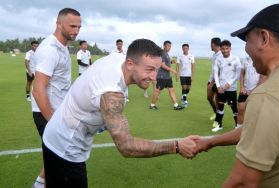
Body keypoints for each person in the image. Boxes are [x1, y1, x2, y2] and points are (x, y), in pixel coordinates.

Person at [194, 3, 279, 187]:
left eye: (247, 39)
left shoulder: (269, 95)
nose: (246, 49)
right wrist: (209, 142)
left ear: (264, 37)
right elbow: (261, 128)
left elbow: (242, 182)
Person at [41, 39, 198, 187]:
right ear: (130, 64)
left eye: (156, 70)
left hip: (57, 132)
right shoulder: (110, 92)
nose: (154, 77)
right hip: (66, 147)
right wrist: (176, 146)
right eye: (149, 69)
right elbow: (127, 147)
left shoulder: (120, 58)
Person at [31, 8, 81, 188]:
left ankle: (38, 184)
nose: (76, 30)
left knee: (57, 158)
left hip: (57, 112)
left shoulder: (62, 47)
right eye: (72, 26)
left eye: (79, 27)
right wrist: (53, 122)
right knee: (62, 164)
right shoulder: (50, 49)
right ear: (58, 24)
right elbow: (38, 90)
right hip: (46, 114)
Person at [211, 40, 241, 132]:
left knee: (234, 108)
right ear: (220, 49)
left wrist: (230, 83)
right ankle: (219, 125)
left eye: (227, 48)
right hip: (221, 89)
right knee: (220, 107)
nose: (225, 50)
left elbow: (238, 74)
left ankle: (237, 126)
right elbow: (215, 73)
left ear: (230, 48)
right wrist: (218, 86)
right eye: (223, 48)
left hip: (231, 88)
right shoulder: (218, 59)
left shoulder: (235, 59)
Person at [149, 40, 184, 110]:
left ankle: (176, 105)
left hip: (167, 77)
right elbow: (163, 65)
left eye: (170, 46)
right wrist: (173, 70)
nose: (169, 47)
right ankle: (152, 105)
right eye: (168, 46)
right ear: (164, 46)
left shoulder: (166, 54)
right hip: (161, 77)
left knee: (171, 90)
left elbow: (166, 62)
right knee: (157, 91)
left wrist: (172, 62)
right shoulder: (162, 53)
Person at [237, 56, 266, 128]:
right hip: (245, 91)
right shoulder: (245, 59)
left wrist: (252, 91)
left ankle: (252, 132)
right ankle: (237, 129)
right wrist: (241, 88)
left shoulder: (262, 59)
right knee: (240, 110)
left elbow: (263, 78)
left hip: (257, 92)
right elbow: (242, 74)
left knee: (254, 113)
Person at [207, 37, 222, 121]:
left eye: (210, 44)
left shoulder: (221, 55)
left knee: (217, 100)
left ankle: (218, 119)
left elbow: (219, 70)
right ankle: (216, 113)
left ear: (213, 44)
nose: (210, 46)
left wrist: (213, 82)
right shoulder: (214, 55)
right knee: (209, 98)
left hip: (218, 82)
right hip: (211, 79)